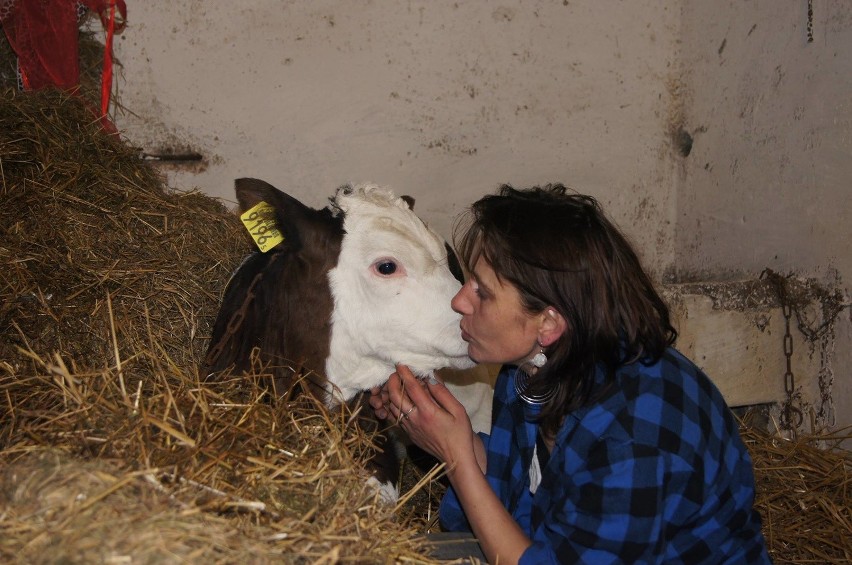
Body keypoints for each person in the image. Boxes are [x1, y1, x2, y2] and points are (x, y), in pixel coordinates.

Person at [370, 183, 771, 564]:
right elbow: (523, 488)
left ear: (548, 323)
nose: (459, 301)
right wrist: (434, 428)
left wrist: (457, 457)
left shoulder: (633, 434)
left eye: (482, 291)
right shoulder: (537, 368)